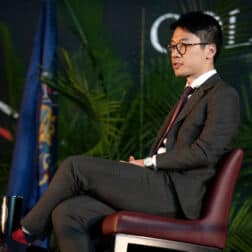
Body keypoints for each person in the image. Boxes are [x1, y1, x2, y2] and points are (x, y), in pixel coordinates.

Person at [12, 11, 240, 252]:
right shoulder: (187, 95)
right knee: (68, 213)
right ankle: (31, 229)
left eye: (184, 46)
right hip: (155, 186)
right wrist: (141, 167)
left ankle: (24, 231)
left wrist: (149, 163)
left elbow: (204, 152)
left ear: (210, 51)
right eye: (172, 46)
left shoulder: (223, 95)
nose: (175, 54)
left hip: (175, 196)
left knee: (75, 167)